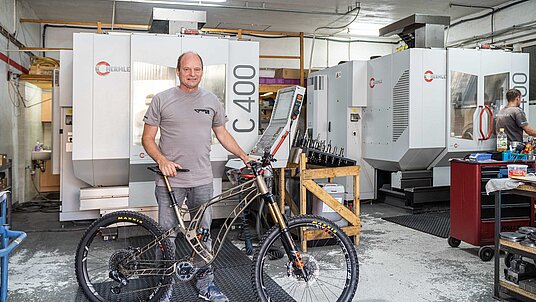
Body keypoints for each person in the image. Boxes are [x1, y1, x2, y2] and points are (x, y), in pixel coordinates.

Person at [142, 51, 249, 302]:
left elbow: (222, 134)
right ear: (178, 71)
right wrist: (162, 160)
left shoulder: (211, 100)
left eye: (197, 69)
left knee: (203, 233)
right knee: (166, 235)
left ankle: (205, 284)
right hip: (170, 181)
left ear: (202, 71)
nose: (192, 74)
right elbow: (147, 138)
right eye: (187, 69)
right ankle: (164, 286)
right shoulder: (162, 99)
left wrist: (245, 156)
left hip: (202, 179)